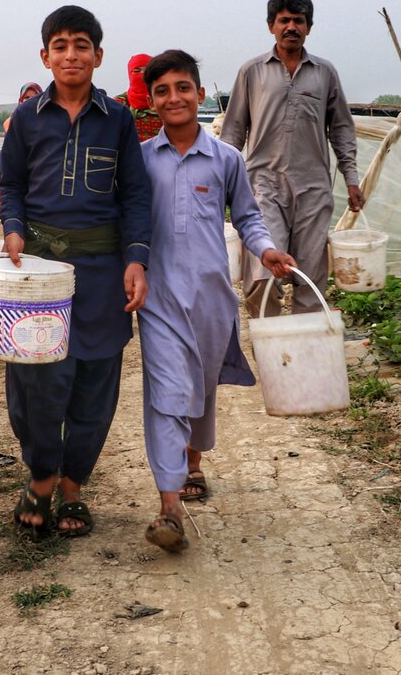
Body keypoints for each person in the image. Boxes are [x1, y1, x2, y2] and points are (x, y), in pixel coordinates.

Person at [0, 5, 152, 539]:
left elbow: (134, 195)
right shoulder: (25, 119)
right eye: (60, 45)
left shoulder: (119, 119)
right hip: (37, 273)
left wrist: (136, 260)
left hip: (102, 274)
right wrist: (13, 225)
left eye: (81, 45)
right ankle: (41, 476)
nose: (70, 54)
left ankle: (72, 489)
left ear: (98, 56)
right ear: (45, 56)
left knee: (94, 382)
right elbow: (10, 184)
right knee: (36, 382)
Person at [137, 50, 295, 552]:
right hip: (159, 298)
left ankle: (194, 463)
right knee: (167, 393)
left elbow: (247, 216)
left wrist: (266, 249)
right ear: (153, 100)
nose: (173, 98)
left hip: (210, 297)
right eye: (162, 90)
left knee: (201, 389)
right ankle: (169, 507)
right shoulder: (142, 159)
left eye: (183, 87)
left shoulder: (226, 159)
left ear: (200, 94)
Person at [220, 0, 363, 317]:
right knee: (261, 275)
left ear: (309, 27)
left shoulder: (324, 73)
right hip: (263, 186)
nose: (291, 27)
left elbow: (341, 129)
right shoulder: (252, 72)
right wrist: (220, 184)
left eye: (298, 21)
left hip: (313, 187)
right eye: (284, 20)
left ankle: (304, 355)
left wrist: (351, 179)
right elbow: (232, 133)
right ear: (271, 25)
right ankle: (270, 349)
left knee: (310, 277)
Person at [0, 82, 44, 190]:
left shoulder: (49, 121)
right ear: (21, 100)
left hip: (41, 176)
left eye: (34, 97)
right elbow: (6, 152)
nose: (30, 101)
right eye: (26, 97)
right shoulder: (12, 123)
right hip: (18, 175)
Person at [114, 53, 162, 142]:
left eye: (147, 71)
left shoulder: (165, 102)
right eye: (136, 71)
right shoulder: (117, 105)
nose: (142, 75)